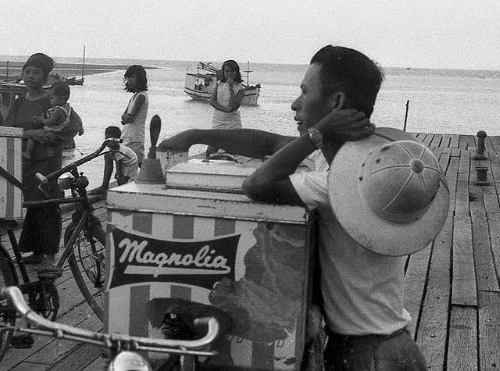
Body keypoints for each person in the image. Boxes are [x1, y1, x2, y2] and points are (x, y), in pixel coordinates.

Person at [160, 45, 431, 370]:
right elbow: (270, 144)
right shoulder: (345, 156)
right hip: (381, 345)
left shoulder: (347, 181)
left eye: (305, 91)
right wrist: (194, 134)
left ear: (336, 104)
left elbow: (258, 185)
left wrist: (317, 133)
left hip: (369, 355)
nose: (295, 103)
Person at [4, 53, 83, 273]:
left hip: (48, 159)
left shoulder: (55, 100)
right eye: (27, 71)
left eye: (36, 72)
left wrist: (51, 135)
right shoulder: (18, 102)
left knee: (48, 201)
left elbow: (73, 126)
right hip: (24, 159)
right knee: (31, 203)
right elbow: (7, 129)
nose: (30, 76)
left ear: (45, 76)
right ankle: (35, 251)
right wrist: (33, 133)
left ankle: (49, 254)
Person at [205, 60, 246, 158]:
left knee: (231, 151)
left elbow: (234, 106)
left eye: (232, 71)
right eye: (227, 71)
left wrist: (231, 88)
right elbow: (212, 101)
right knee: (211, 150)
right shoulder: (219, 84)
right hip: (219, 120)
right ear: (223, 72)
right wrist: (224, 109)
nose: (229, 74)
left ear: (237, 72)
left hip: (232, 122)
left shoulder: (240, 89)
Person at [22, 81, 72, 160]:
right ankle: (48, 151)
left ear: (62, 98)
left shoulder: (58, 111)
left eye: (52, 98)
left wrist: (41, 120)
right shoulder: (67, 107)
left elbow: (50, 122)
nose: (50, 101)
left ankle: (28, 153)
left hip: (50, 133)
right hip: (55, 133)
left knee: (29, 134)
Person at [88, 125, 139, 195]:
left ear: (116, 141)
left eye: (110, 141)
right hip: (125, 162)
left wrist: (118, 175)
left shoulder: (119, 151)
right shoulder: (112, 149)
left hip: (131, 163)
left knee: (122, 179)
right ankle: (105, 186)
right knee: (107, 156)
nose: (108, 143)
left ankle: (122, 191)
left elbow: (119, 166)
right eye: (106, 140)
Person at [120, 65, 149, 164]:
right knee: (128, 164)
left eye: (133, 77)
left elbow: (129, 118)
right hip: (127, 135)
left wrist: (126, 118)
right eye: (128, 78)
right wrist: (125, 117)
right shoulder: (134, 97)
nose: (130, 80)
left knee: (135, 163)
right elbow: (124, 116)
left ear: (140, 78)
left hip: (135, 138)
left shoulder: (141, 96)